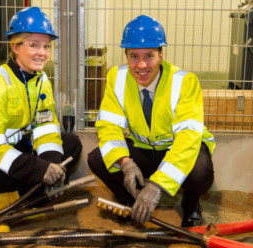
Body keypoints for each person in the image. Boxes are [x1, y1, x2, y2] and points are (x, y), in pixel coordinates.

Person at [0, 6, 82, 230]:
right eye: (33, 45)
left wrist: (51, 163)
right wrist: (39, 170)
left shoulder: (41, 80)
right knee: (41, 174)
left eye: (46, 46)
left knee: (70, 146)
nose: (41, 53)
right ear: (15, 47)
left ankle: (18, 200)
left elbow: (46, 128)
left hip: (10, 150)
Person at [88, 15, 215, 227]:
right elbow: (109, 126)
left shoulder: (185, 82)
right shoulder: (116, 78)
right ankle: (131, 203)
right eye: (133, 56)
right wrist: (125, 163)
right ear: (126, 56)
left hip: (176, 150)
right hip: (144, 149)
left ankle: (191, 205)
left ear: (161, 55)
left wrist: (157, 186)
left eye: (149, 56)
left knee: (200, 171)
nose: (141, 65)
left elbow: (187, 139)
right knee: (98, 158)